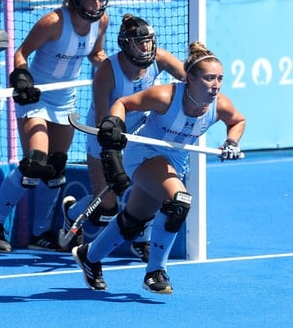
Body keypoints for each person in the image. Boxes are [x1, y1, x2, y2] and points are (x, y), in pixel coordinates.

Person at [73, 41, 246, 294]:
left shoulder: (220, 105)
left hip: (173, 160)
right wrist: (113, 124)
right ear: (191, 79)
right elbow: (123, 103)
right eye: (209, 78)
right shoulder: (166, 96)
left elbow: (238, 120)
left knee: (134, 220)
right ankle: (155, 271)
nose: (216, 85)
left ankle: (90, 255)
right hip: (144, 153)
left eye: (220, 78)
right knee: (180, 202)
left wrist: (231, 141)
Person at [0, 0, 110, 252]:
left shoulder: (102, 22)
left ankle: (40, 235)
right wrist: (23, 77)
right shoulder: (52, 22)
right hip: (36, 97)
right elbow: (21, 53)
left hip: (65, 100)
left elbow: (96, 54)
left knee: (55, 167)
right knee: (35, 162)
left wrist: (114, 69)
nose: (98, 4)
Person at [61, 14, 185, 261]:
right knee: (106, 208)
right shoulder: (108, 71)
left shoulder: (159, 59)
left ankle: (143, 241)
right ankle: (72, 213)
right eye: (140, 42)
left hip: (141, 134)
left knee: (150, 189)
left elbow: (189, 81)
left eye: (149, 41)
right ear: (126, 45)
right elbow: (100, 119)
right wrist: (113, 155)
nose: (146, 47)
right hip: (105, 135)